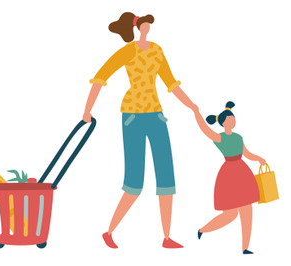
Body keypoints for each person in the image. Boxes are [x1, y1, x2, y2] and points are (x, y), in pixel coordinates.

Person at [82, 12, 197, 249]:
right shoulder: (129, 51)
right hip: (133, 116)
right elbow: (101, 77)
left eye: (149, 24)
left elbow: (171, 83)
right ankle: (109, 232)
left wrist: (192, 105)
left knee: (167, 177)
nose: (148, 27)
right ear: (138, 27)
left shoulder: (157, 50)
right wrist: (87, 110)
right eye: (145, 24)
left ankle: (167, 237)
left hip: (156, 115)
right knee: (134, 182)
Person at [193, 101, 265, 254]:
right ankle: (203, 229)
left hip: (243, 173)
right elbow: (205, 129)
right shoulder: (220, 138)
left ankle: (245, 247)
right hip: (229, 176)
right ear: (223, 123)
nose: (233, 121)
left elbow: (247, 154)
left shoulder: (238, 137)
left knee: (247, 210)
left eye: (234, 119)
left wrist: (258, 158)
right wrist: (196, 112)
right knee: (230, 215)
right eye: (230, 120)